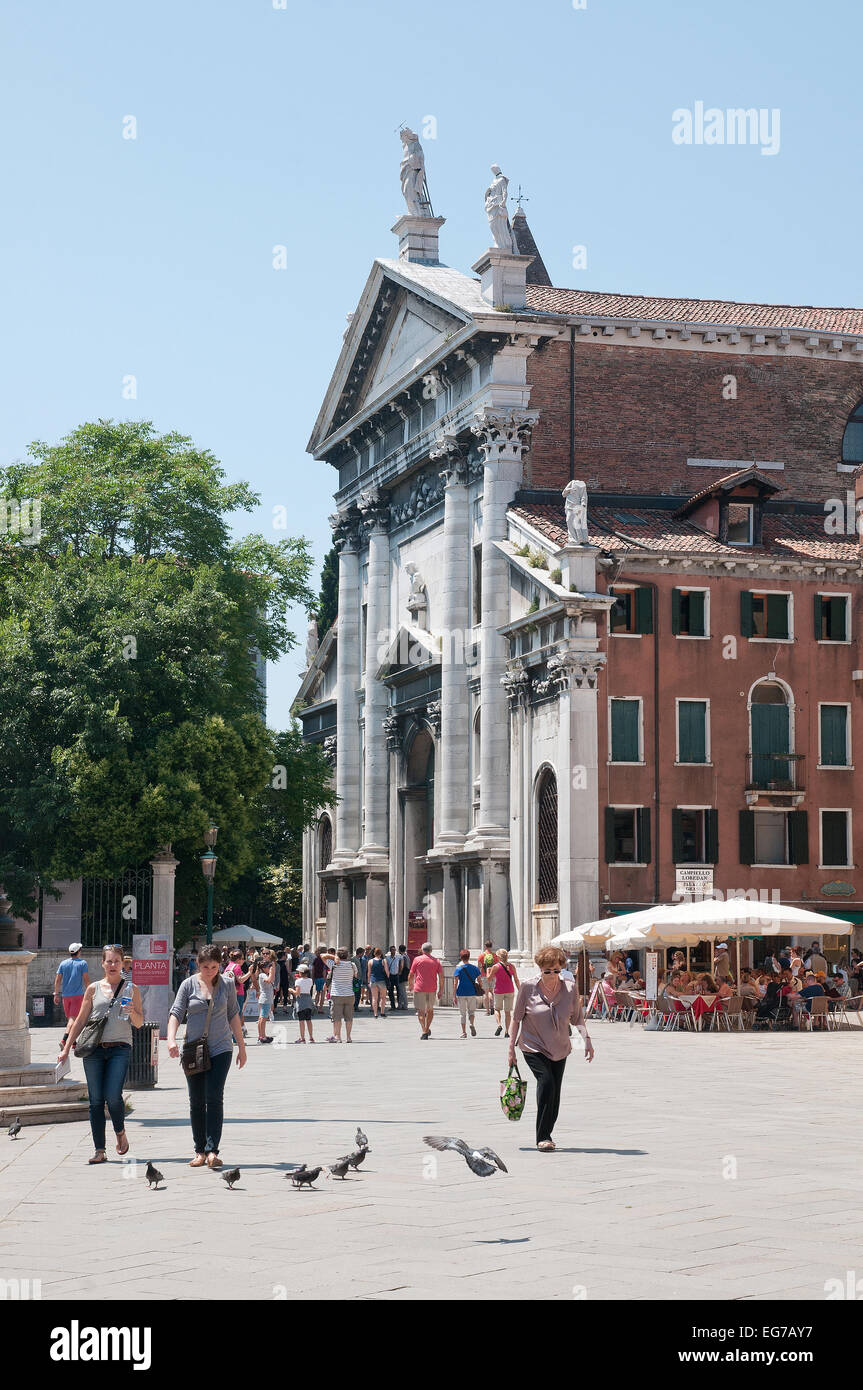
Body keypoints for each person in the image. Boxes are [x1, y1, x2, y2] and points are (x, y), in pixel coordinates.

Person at [57, 944, 143, 1164]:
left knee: (113, 1095)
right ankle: (100, 1150)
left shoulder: (131, 989)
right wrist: (66, 1048)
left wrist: (131, 1010)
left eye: (117, 961)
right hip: (94, 1049)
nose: (113, 965)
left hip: (120, 1048)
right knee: (95, 1100)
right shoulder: (93, 989)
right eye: (109, 961)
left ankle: (120, 1132)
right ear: (102, 963)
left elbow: (140, 1023)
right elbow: (80, 1021)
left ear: (122, 963)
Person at [508, 945, 594, 1152]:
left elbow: (577, 1018)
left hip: (560, 1047)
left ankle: (548, 1131)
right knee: (546, 1083)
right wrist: (510, 1048)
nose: (553, 975)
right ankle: (543, 1136)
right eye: (548, 971)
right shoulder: (528, 988)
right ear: (540, 969)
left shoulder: (570, 988)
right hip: (532, 1045)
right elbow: (516, 1019)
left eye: (557, 970)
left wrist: (587, 1040)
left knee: (555, 1094)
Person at [167, 944, 246, 1168]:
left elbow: (233, 1014)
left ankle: (212, 1151)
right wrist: (171, 1040)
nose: (210, 971)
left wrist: (241, 1046)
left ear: (220, 965)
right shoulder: (187, 984)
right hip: (193, 1049)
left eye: (213, 966)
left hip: (221, 1048)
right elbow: (176, 1013)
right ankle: (199, 1151)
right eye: (205, 966)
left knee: (214, 1097)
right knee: (196, 1101)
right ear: (198, 965)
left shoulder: (227, 984)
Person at [53, 942, 90, 1045]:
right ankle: (64, 1039)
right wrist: (91, 992)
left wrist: (56, 994)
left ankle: (73, 1042)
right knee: (73, 1019)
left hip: (65, 996)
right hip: (77, 996)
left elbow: (58, 980)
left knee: (71, 1019)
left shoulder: (63, 963)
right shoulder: (83, 963)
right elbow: (86, 980)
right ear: (79, 951)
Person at [407, 943, 443, 1039]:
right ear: (431, 950)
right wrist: (441, 990)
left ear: (422, 950)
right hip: (432, 989)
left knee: (421, 1011)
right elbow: (441, 976)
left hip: (419, 988)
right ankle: (427, 1028)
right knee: (430, 1010)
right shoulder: (436, 961)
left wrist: (410, 985)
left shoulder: (417, 960)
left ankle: (424, 1030)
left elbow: (411, 974)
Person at [327, 948, 358, 1042]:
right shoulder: (352, 965)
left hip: (337, 994)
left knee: (337, 1017)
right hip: (349, 994)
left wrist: (334, 957)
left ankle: (338, 1037)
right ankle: (348, 1037)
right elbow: (355, 976)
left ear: (338, 955)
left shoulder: (334, 964)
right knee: (349, 1017)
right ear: (347, 955)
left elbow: (322, 956)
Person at [490, 949, 520, 1037]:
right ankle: (507, 1032)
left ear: (498, 956)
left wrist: (488, 971)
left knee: (497, 1009)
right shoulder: (512, 966)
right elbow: (516, 979)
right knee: (507, 1012)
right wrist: (520, 989)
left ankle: (499, 1025)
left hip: (499, 990)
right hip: (510, 990)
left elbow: (489, 978)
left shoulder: (495, 967)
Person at [453, 948, 482, 1038]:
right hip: (472, 992)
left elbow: (455, 983)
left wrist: (454, 995)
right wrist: (480, 987)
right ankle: (471, 1023)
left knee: (462, 1014)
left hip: (461, 992)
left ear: (461, 958)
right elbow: (480, 980)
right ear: (469, 957)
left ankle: (463, 1032)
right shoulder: (475, 968)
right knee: (472, 1012)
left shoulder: (459, 969)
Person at [254, 949, 277, 1044]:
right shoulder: (262, 975)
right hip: (265, 999)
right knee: (263, 1018)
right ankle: (262, 1036)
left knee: (262, 1018)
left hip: (266, 998)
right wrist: (272, 971)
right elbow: (270, 980)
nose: (269, 968)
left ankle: (262, 1035)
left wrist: (271, 970)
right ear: (264, 968)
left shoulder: (262, 974)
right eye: (268, 967)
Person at [291, 964, 316, 1042]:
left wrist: (291, 990)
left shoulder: (298, 981)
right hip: (308, 1000)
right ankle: (311, 1037)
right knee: (309, 1020)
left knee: (301, 1021)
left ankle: (302, 1038)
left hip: (301, 1001)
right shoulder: (310, 980)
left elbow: (297, 993)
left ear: (300, 972)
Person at [368, 947, 390, 1018]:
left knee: (374, 998)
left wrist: (369, 981)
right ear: (380, 953)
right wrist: (388, 977)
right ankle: (382, 1012)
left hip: (373, 981)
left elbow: (369, 972)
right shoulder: (384, 961)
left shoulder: (370, 961)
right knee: (383, 998)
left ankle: (375, 1014)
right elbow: (387, 972)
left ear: (374, 953)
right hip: (382, 981)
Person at [478, 941, 498, 1016]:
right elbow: (496, 966)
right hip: (493, 976)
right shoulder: (494, 956)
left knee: (486, 993)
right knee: (491, 991)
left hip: (484, 975)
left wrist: (479, 977)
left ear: (485, 946)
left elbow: (479, 967)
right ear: (491, 946)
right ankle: (492, 1006)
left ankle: (487, 1011)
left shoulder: (481, 956)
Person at [385, 945, 401, 1010]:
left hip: (396, 976)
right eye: (392, 950)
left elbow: (401, 964)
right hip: (390, 976)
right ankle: (392, 1006)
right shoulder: (387, 958)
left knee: (398, 991)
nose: (393, 951)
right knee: (390, 991)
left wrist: (400, 972)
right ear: (390, 950)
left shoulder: (398, 957)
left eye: (394, 950)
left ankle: (399, 1005)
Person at [397, 944, 410, 1010]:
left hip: (402, 975)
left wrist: (399, 972)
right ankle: (400, 1005)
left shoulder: (402, 957)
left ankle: (405, 1005)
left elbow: (402, 966)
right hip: (405, 975)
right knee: (401, 990)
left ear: (399, 950)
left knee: (402, 991)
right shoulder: (407, 956)